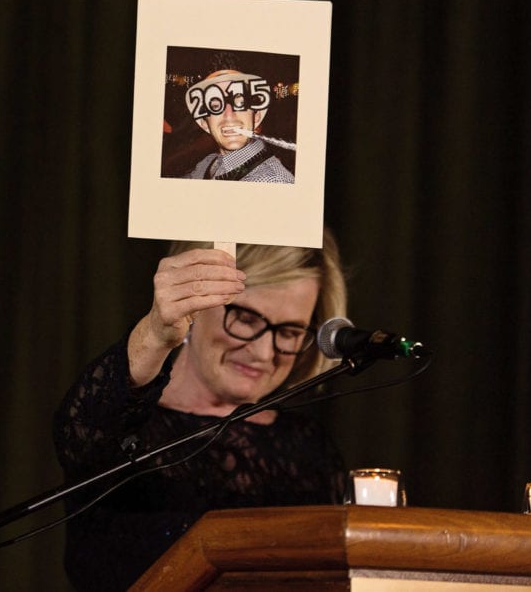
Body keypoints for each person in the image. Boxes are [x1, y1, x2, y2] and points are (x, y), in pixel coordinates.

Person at [53, 232, 347, 591]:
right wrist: (155, 333)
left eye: (288, 332)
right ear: (194, 305)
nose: (263, 352)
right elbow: (81, 435)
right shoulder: (118, 426)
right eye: (246, 319)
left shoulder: (308, 446)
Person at [184, 53, 295, 183]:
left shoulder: (273, 180)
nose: (229, 115)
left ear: (256, 116)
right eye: (215, 105)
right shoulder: (208, 163)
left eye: (240, 103)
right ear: (204, 123)